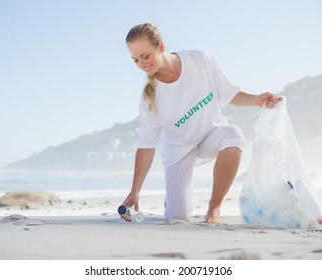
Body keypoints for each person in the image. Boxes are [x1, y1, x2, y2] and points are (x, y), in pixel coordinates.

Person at [121, 23, 282, 224]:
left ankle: (214, 209)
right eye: (135, 60)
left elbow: (228, 94)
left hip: (211, 136)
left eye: (145, 56)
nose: (141, 64)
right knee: (178, 218)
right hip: (179, 150)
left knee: (233, 135)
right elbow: (146, 145)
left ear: (160, 47)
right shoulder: (149, 98)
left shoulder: (199, 60)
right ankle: (173, 198)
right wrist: (135, 191)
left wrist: (256, 100)